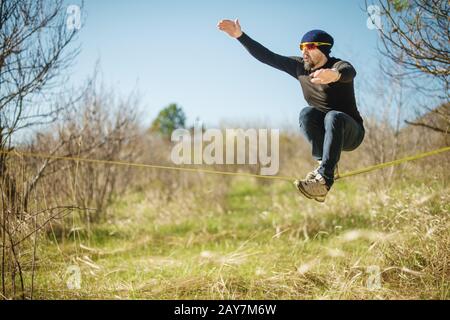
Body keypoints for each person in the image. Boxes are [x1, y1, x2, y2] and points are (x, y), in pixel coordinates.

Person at [217, 19, 365, 202]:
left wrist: (334, 75)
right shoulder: (299, 68)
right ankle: (325, 166)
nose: (304, 51)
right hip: (327, 133)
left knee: (333, 117)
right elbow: (268, 56)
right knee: (307, 113)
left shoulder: (337, 66)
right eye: (301, 46)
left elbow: (349, 71)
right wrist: (240, 36)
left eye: (309, 46)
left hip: (352, 133)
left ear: (323, 48)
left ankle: (324, 182)